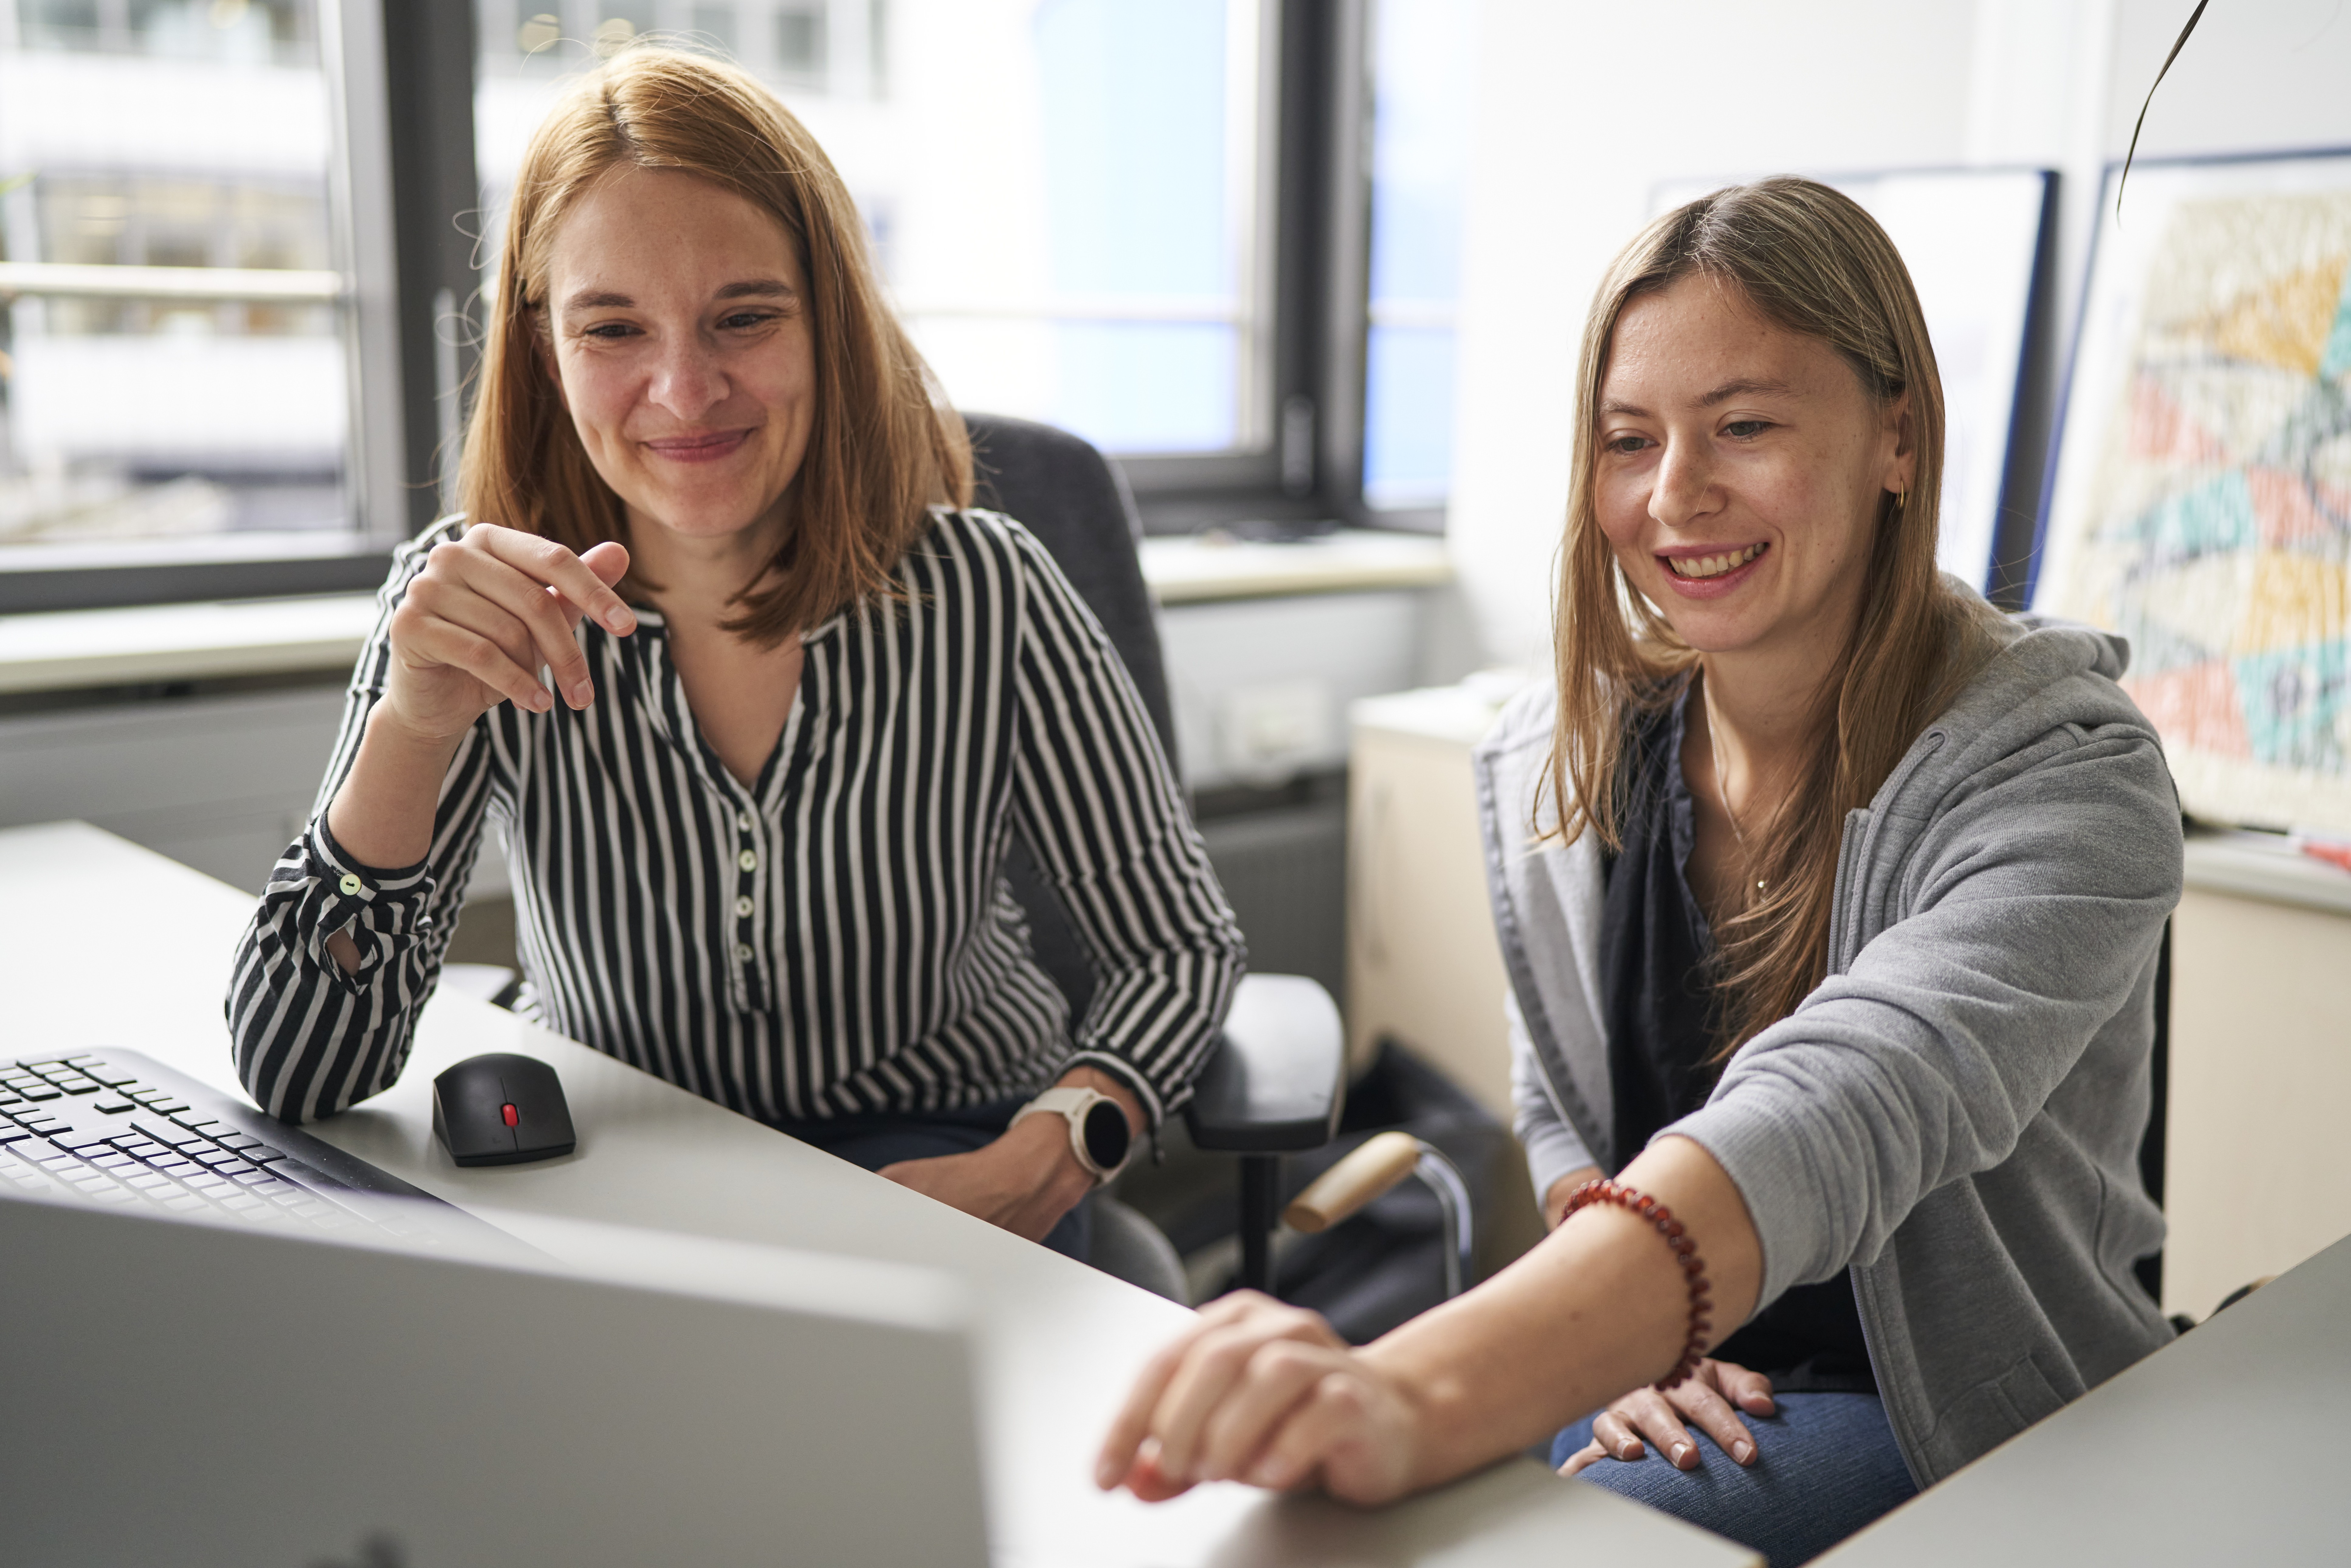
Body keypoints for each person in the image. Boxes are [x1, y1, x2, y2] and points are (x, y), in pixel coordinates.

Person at [1095, 177, 2180, 1566]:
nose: (1672, 496)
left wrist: (1411, 1388)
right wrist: (1626, 1335)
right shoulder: (1560, 752)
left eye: (1743, 426)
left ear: (1896, 436)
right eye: (1627, 440)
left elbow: (1835, 1111)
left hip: (1955, 1410)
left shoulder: (2065, 776)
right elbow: (1562, 1114)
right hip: (1660, 1367)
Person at [226, 45, 1245, 1262]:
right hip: (629, 1174)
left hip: (951, 1160)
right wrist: (412, 727)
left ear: (830, 325)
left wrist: (1050, 1154)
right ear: (546, 351)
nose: (684, 390)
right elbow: (297, 1074)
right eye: (613, 327)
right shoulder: (468, 605)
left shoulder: (989, 588)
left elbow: (1175, 948)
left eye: (745, 318)